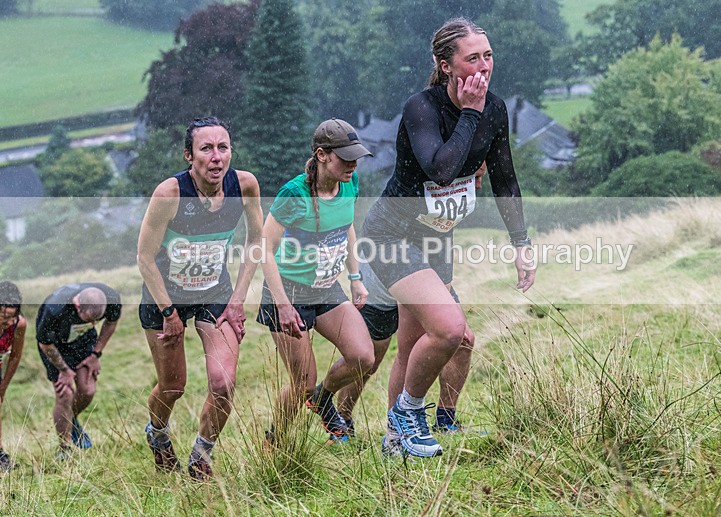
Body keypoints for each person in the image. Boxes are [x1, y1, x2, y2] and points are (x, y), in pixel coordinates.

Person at [360, 17, 536, 458]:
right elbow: (439, 166)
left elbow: (505, 179)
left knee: (413, 345)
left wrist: (522, 244)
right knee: (450, 330)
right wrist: (470, 114)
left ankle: (395, 442)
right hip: (391, 235)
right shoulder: (423, 107)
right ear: (446, 65)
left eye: (488, 55)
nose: (484, 65)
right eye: (472, 58)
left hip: (436, 240)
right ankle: (408, 414)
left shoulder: (495, 109)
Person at [137, 116, 263, 480]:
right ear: (188, 156)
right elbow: (144, 258)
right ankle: (158, 436)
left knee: (223, 383)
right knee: (173, 385)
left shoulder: (245, 185)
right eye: (205, 149)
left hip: (215, 293)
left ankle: (200, 456)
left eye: (222, 147)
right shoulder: (170, 194)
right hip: (165, 298)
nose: (216, 157)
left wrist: (238, 298)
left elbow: (256, 241)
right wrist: (169, 311)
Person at [335, 162, 489, 449]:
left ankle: (445, 421)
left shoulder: (454, 193)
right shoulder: (426, 177)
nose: (478, 186)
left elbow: (441, 236)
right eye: (476, 178)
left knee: (462, 338)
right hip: (384, 269)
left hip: (425, 267)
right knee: (370, 355)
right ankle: (344, 419)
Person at [257, 118, 375, 444]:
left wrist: (356, 278)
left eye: (355, 157)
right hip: (288, 293)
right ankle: (275, 441)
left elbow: (346, 226)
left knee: (363, 358)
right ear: (322, 155)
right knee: (301, 384)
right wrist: (282, 305)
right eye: (345, 157)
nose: (352, 164)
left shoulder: (349, 184)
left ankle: (322, 398)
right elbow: (263, 249)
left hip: (326, 289)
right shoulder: (294, 193)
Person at [36, 282, 121, 459]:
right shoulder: (55, 309)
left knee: (88, 390)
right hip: (54, 346)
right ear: (77, 306)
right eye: (88, 319)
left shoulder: (111, 299)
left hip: (82, 342)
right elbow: (45, 344)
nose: (93, 323)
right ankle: (65, 448)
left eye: (95, 321)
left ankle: (69, 421)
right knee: (65, 394)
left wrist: (96, 354)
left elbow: (111, 323)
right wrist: (65, 371)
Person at [0, 281, 26, 471]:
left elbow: (15, 355)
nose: (8, 321)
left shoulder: (18, 324)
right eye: (4, 317)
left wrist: (3, 387)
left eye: (12, 316)